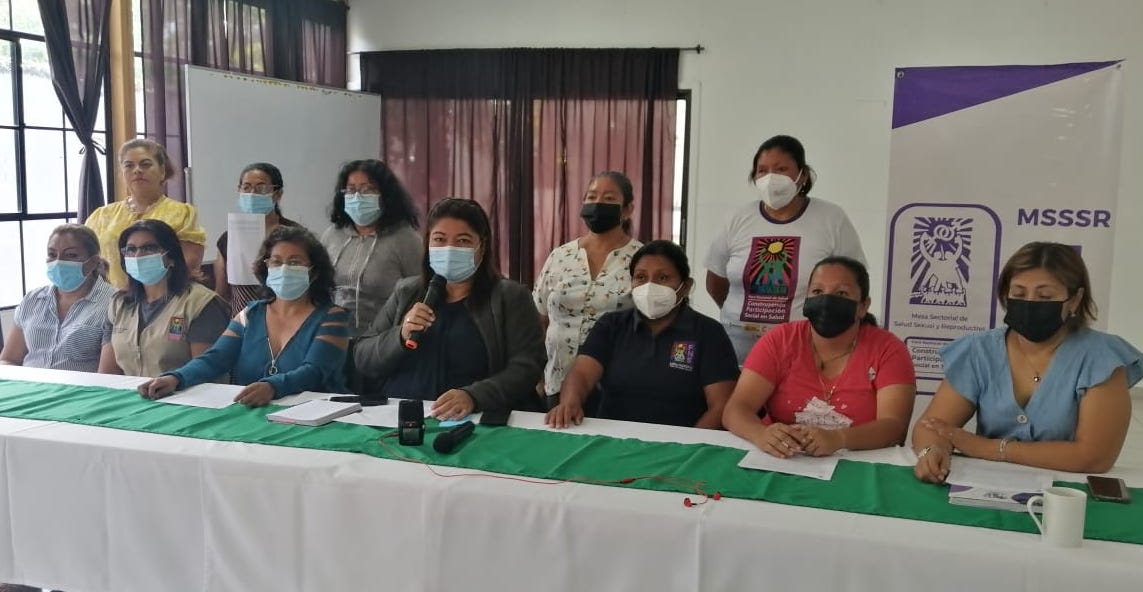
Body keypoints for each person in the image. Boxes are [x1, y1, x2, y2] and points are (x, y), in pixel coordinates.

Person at [912, 242, 1142, 482]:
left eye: (1045, 296)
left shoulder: (1101, 357)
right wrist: (933, 450)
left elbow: (1095, 457)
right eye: (1019, 294)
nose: (1030, 303)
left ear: (1075, 300)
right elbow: (931, 426)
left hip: (1068, 492)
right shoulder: (978, 350)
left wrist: (989, 448)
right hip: (986, 486)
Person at [353, 197, 545, 418]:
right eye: (440, 239)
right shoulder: (407, 291)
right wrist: (400, 335)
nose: (449, 249)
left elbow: (527, 366)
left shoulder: (509, 297)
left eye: (463, 241)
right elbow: (362, 355)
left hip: (473, 419)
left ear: (482, 247)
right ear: (428, 244)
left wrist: (474, 396)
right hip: (401, 415)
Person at [723, 256, 916, 458]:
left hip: (859, 463)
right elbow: (736, 409)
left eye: (842, 293)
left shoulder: (888, 349)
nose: (826, 301)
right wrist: (761, 434)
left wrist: (839, 439)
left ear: (863, 306)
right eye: (817, 291)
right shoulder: (779, 341)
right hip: (784, 459)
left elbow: (894, 427)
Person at [136, 226, 349, 406]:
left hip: (316, 417)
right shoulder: (250, 314)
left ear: (314, 271)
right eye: (276, 262)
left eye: (295, 262)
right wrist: (176, 378)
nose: (284, 269)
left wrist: (273, 387)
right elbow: (215, 358)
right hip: (253, 414)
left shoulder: (332, 317)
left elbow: (315, 371)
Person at [705, 135, 866, 364]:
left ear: (803, 175)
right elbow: (715, 281)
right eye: (762, 171)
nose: (771, 178)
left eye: (781, 169)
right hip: (737, 344)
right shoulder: (738, 218)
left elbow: (853, 280)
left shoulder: (831, 218)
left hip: (803, 345)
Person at [546, 240, 738, 429]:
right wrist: (570, 402)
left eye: (663, 278)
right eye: (640, 277)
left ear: (685, 287)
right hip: (612, 438)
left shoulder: (708, 332)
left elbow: (720, 406)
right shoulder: (611, 325)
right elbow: (582, 373)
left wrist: (689, 443)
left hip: (681, 442)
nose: (649, 286)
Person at [534, 171, 642, 405]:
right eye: (592, 197)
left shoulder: (641, 259)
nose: (598, 203)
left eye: (609, 198)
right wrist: (537, 374)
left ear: (627, 210)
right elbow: (539, 317)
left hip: (618, 387)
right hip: (557, 381)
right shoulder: (560, 256)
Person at [98, 220, 230, 377]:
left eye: (149, 248)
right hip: (129, 392)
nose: (138, 255)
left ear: (171, 257)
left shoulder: (200, 303)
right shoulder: (119, 304)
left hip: (184, 391)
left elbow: (206, 372)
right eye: (131, 249)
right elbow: (107, 373)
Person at [86, 139, 208, 289]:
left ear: (162, 171)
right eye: (129, 165)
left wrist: (140, 295)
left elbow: (188, 264)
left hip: (164, 297)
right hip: (107, 299)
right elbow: (87, 262)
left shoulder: (182, 214)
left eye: (145, 164)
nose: (137, 170)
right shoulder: (101, 216)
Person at [320, 159, 422, 336]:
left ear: (385, 195)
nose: (358, 197)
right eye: (351, 190)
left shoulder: (405, 238)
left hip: (382, 340)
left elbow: (419, 292)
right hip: (332, 335)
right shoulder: (332, 235)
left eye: (367, 189)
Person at [1, 224, 116, 371]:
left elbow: (109, 374)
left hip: (80, 386)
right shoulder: (32, 300)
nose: (58, 261)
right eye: (52, 254)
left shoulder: (114, 303)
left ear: (93, 262)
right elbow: (9, 359)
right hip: (28, 383)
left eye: (71, 255)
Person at [214, 162, 300, 315]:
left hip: (287, 318)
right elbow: (222, 294)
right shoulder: (228, 239)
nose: (252, 194)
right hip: (242, 321)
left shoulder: (294, 235)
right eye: (246, 187)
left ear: (277, 194)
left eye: (261, 188)